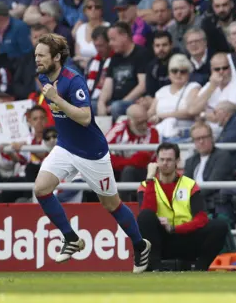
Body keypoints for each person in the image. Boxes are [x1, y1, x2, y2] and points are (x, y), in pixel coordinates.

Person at [33, 33, 150, 272]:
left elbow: (86, 118)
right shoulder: (43, 76)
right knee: (41, 189)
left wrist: (57, 99)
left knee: (111, 205)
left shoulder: (73, 80)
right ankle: (71, 238)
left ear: (57, 57)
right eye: (36, 55)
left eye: (41, 55)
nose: (37, 59)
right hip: (65, 146)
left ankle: (140, 246)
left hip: (91, 153)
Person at [137, 142, 229, 271]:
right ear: (156, 161)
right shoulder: (146, 185)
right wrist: (150, 179)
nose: (165, 163)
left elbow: (201, 219)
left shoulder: (189, 184)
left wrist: (174, 228)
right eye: (161, 159)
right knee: (145, 217)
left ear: (177, 161)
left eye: (169, 160)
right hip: (160, 240)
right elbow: (147, 212)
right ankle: (155, 268)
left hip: (185, 236)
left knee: (220, 226)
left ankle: (200, 269)